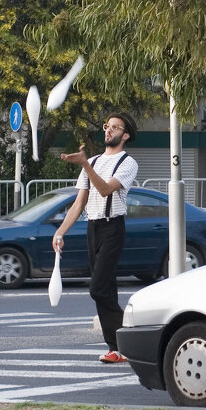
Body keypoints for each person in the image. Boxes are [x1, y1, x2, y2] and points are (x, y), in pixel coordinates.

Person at [52, 112, 139, 364]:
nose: (108, 130)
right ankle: (117, 348)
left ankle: (132, 337)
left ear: (126, 135)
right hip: (93, 228)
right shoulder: (93, 161)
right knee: (106, 291)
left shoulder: (128, 163)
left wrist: (85, 165)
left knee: (98, 288)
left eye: (115, 127)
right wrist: (60, 232)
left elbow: (105, 189)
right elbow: (79, 203)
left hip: (113, 228)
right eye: (107, 126)